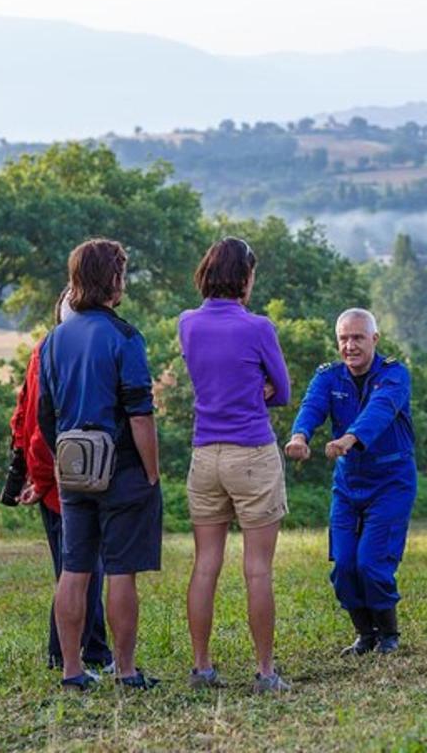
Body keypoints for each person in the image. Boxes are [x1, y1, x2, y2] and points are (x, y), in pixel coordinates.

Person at [38, 238, 163, 691]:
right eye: (122, 273)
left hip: (72, 469)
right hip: (123, 468)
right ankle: (125, 670)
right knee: (121, 570)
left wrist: (63, 463)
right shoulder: (126, 337)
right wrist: (151, 472)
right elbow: (139, 411)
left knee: (75, 570)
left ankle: (73, 670)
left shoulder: (51, 341)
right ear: (112, 279)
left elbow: (44, 414)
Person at [178, 237, 292, 694]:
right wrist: (258, 387)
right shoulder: (258, 327)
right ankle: (265, 672)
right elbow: (281, 392)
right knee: (257, 569)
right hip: (252, 454)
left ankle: (202, 667)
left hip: (205, 455)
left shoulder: (187, 323)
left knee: (206, 564)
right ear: (245, 277)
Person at [285, 308, 417, 657]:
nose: (350, 346)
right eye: (343, 338)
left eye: (358, 337)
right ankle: (365, 634)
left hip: (391, 481)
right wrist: (300, 436)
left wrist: (350, 439)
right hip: (348, 485)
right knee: (344, 564)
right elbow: (312, 405)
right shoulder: (329, 376)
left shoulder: (394, 374)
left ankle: (388, 633)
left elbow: (381, 410)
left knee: (371, 563)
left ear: (374, 339)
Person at [9, 289, 112, 674]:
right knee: (80, 570)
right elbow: (35, 420)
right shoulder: (54, 353)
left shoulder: (47, 350)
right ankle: (85, 653)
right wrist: (39, 478)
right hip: (62, 478)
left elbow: (23, 417)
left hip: (56, 475)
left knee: (81, 570)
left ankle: (82, 650)